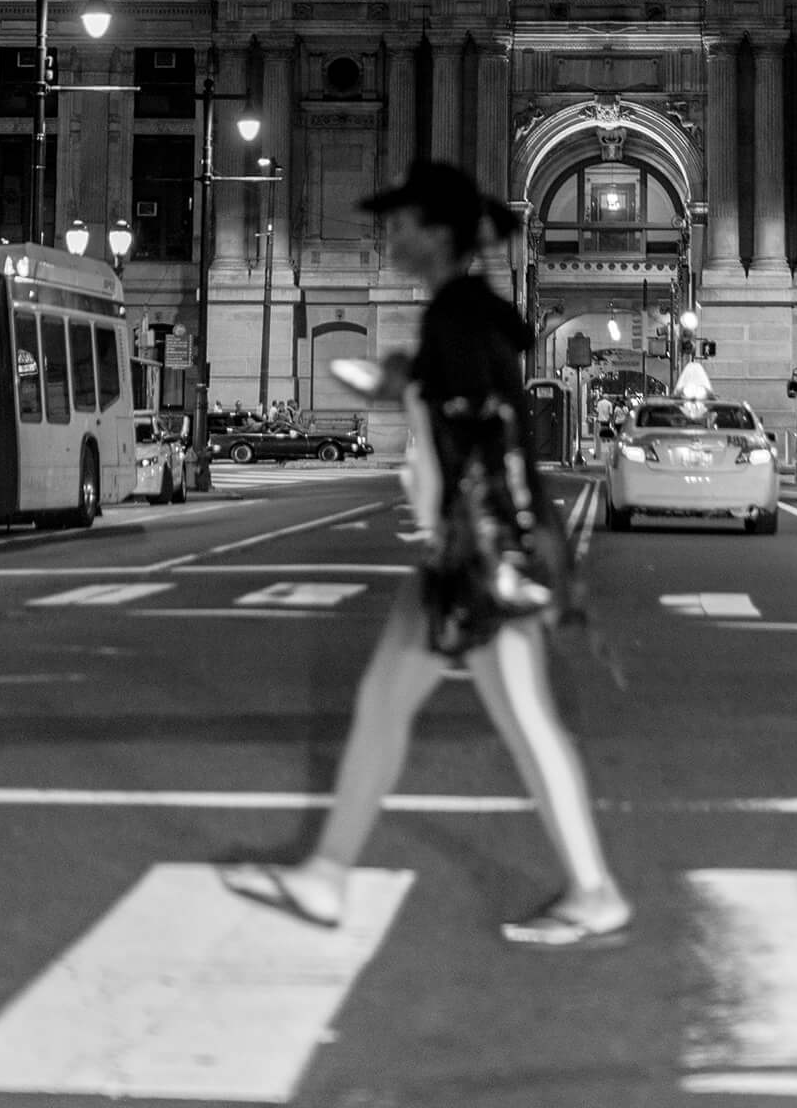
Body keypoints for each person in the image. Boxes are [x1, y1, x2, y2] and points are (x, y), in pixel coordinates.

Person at [224, 158, 631, 950]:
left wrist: (487, 541)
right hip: (471, 546)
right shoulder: (462, 311)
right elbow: (456, 403)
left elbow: (490, 436)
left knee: (524, 721)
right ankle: (326, 875)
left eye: (405, 222)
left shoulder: (459, 315)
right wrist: (396, 386)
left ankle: (594, 889)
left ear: (439, 234)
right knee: (385, 704)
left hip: (481, 550)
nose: (392, 234)